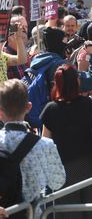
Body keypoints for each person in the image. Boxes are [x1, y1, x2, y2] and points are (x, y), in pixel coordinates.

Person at [40, 64, 92, 218]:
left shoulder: (50, 109)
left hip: (64, 172)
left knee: (68, 214)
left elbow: (45, 144)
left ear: (57, 84)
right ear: (77, 81)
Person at [0, 80, 65, 210]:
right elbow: (57, 181)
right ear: (28, 107)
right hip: (31, 212)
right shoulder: (45, 145)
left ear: (0, 112)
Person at [2, 15, 28, 81]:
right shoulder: (4, 52)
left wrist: (18, 38)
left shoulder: (3, 56)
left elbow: (22, 60)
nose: (23, 30)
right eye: (19, 27)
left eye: (25, 27)